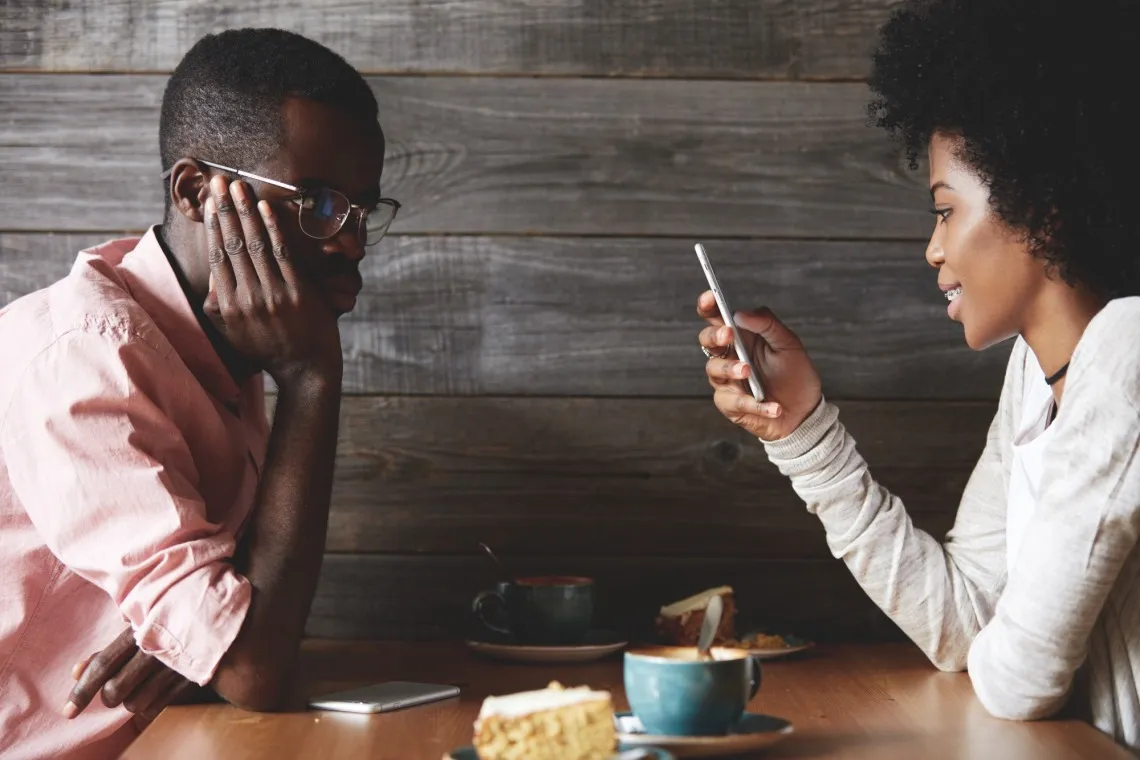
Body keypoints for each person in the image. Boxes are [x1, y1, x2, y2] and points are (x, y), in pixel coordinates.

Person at [697, 0, 1140, 751]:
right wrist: (804, 432)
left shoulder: (1128, 351)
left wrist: (1001, 642)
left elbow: (1020, 679)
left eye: (944, 211)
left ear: (1046, 212)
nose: (933, 249)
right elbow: (961, 626)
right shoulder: (1035, 377)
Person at [0, 28, 398, 760]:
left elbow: (237, 640)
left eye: (362, 210)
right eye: (315, 203)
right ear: (195, 192)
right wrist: (312, 381)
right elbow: (251, 666)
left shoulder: (213, 342)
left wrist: (202, 630)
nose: (350, 243)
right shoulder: (89, 361)